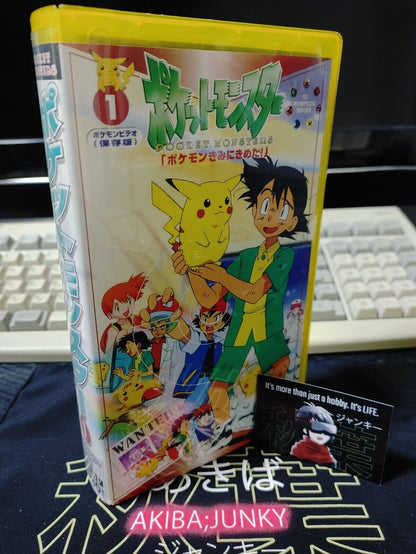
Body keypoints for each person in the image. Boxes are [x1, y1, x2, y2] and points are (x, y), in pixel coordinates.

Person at [172, 157, 309, 441]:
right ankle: (223, 429)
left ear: (293, 221)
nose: (270, 218)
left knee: (280, 372)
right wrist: (190, 270)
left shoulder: (285, 255)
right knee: (217, 386)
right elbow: (209, 299)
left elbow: (253, 292)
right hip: (239, 334)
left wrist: (220, 275)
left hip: (268, 332)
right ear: (255, 209)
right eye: (264, 207)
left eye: (282, 210)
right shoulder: (245, 258)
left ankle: (273, 422)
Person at [290, 403, 338, 468]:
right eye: (317, 427)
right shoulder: (297, 452)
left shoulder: (329, 461)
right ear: (305, 429)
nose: (322, 434)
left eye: (328, 430)